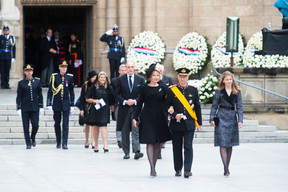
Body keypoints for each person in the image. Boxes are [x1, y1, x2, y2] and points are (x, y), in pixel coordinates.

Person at [132, 64, 172, 177]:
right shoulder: (144, 88)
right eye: (154, 75)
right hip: (147, 117)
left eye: (157, 75)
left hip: (160, 117)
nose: (156, 77)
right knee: (150, 141)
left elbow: (168, 101)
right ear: (149, 76)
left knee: (157, 143)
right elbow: (139, 104)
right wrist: (135, 117)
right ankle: (152, 168)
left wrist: (170, 109)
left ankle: (154, 165)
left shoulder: (163, 87)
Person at [166, 68, 202, 178]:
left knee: (188, 146)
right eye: (181, 77)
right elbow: (166, 106)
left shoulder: (193, 90)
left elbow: (197, 108)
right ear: (178, 77)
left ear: (188, 78)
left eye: (185, 77)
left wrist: (199, 123)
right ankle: (178, 169)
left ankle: (187, 169)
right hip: (176, 124)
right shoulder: (172, 90)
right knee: (177, 147)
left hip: (189, 124)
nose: (183, 79)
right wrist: (173, 114)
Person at [209, 71, 243, 176]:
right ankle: (225, 168)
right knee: (222, 143)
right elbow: (214, 106)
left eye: (230, 79)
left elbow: (240, 107)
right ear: (223, 80)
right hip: (221, 117)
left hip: (232, 117)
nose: (229, 81)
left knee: (230, 144)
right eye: (227, 79)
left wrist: (240, 120)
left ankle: (227, 166)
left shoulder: (237, 92)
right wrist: (211, 118)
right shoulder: (219, 91)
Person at [115, 61, 145, 159]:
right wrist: (124, 101)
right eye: (129, 67)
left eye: (132, 67)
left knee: (136, 129)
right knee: (125, 130)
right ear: (126, 69)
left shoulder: (140, 79)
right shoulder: (120, 80)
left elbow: (142, 95)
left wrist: (135, 101)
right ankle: (126, 152)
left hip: (136, 108)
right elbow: (116, 94)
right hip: (124, 109)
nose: (131, 69)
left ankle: (137, 150)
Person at [47, 60, 75, 149]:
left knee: (65, 124)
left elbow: (71, 91)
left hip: (66, 103)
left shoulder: (70, 77)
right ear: (59, 68)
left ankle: (65, 143)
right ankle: (58, 141)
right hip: (57, 102)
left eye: (65, 67)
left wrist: (72, 103)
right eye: (62, 67)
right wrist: (49, 103)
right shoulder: (54, 77)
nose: (64, 69)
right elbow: (50, 91)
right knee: (57, 123)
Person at [85, 71, 114, 153]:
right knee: (96, 127)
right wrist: (95, 100)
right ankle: (96, 145)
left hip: (105, 109)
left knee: (104, 127)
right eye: (101, 77)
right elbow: (87, 98)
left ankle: (105, 145)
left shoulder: (109, 88)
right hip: (96, 109)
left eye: (104, 77)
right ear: (98, 78)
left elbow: (112, 100)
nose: (102, 79)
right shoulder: (94, 87)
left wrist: (112, 110)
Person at [16, 64, 43, 149]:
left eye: (30, 71)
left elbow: (40, 94)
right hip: (25, 107)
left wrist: (41, 106)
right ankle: (28, 143)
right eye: (27, 71)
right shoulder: (21, 83)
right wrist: (18, 107)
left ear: (32, 72)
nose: (29, 72)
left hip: (35, 107)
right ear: (24, 72)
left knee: (35, 125)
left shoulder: (37, 81)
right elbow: (19, 96)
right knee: (26, 126)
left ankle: (33, 137)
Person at [157, 64, 173, 157]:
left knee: (164, 125)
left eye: (161, 70)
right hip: (156, 107)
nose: (160, 72)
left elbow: (171, 92)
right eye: (158, 70)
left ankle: (162, 142)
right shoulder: (153, 80)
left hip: (165, 107)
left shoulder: (168, 79)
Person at [79, 70, 97, 148]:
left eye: (95, 77)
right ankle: (87, 140)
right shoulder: (85, 85)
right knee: (87, 125)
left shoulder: (97, 85)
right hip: (87, 106)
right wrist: (81, 109)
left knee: (93, 124)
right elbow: (82, 98)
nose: (94, 79)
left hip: (94, 106)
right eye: (93, 77)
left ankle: (93, 141)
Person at [111, 64, 127, 148]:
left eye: (125, 70)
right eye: (122, 70)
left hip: (127, 105)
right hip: (118, 105)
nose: (124, 72)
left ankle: (125, 139)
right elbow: (112, 94)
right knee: (119, 123)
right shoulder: (114, 81)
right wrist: (112, 107)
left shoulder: (129, 79)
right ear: (119, 71)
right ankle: (120, 140)